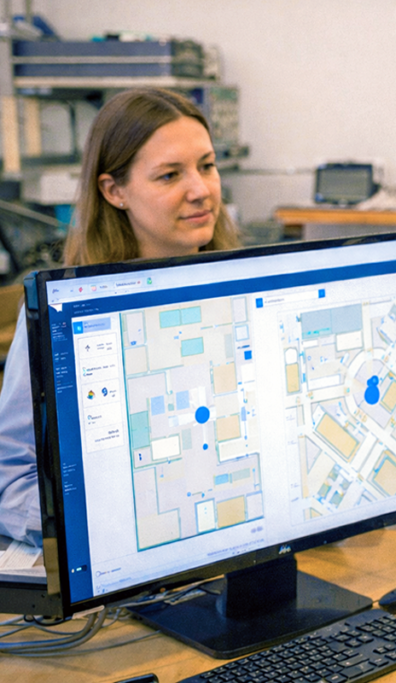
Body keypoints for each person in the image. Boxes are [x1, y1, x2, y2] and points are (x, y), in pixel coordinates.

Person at [0, 87, 240, 545]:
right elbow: (12, 483)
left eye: (207, 166)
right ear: (114, 191)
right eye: (170, 175)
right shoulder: (61, 317)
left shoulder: (245, 293)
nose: (201, 190)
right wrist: (117, 528)